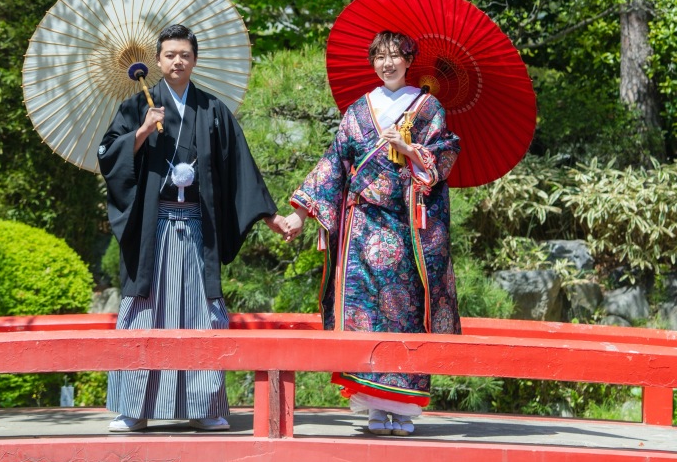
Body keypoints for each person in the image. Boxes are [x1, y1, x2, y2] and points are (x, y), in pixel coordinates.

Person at [97, 22, 285, 433]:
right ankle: (134, 407)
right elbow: (108, 156)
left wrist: (271, 217)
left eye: (185, 54)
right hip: (154, 228)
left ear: (194, 60)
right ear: (158, 60)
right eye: (169, 54)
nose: (177, 60)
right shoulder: (136, 107)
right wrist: (143, 131)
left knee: (201, 314)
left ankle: (203, 406)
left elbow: (241, 170)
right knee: (146, 314)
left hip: (198, 229)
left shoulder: (213, 111)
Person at [283, 30, 461, 437]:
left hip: (404, 228)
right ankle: (373, 410)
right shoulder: (357, 111)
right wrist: (301, 213)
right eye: (379, 57)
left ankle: (403, 410)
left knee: (404, 316)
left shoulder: (428, 107)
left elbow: (445, 155)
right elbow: (333, 164)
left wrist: (411, 148)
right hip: (361, 230)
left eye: (395, 56)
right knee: (363, 316)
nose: (387, 64)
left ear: (408, 60)